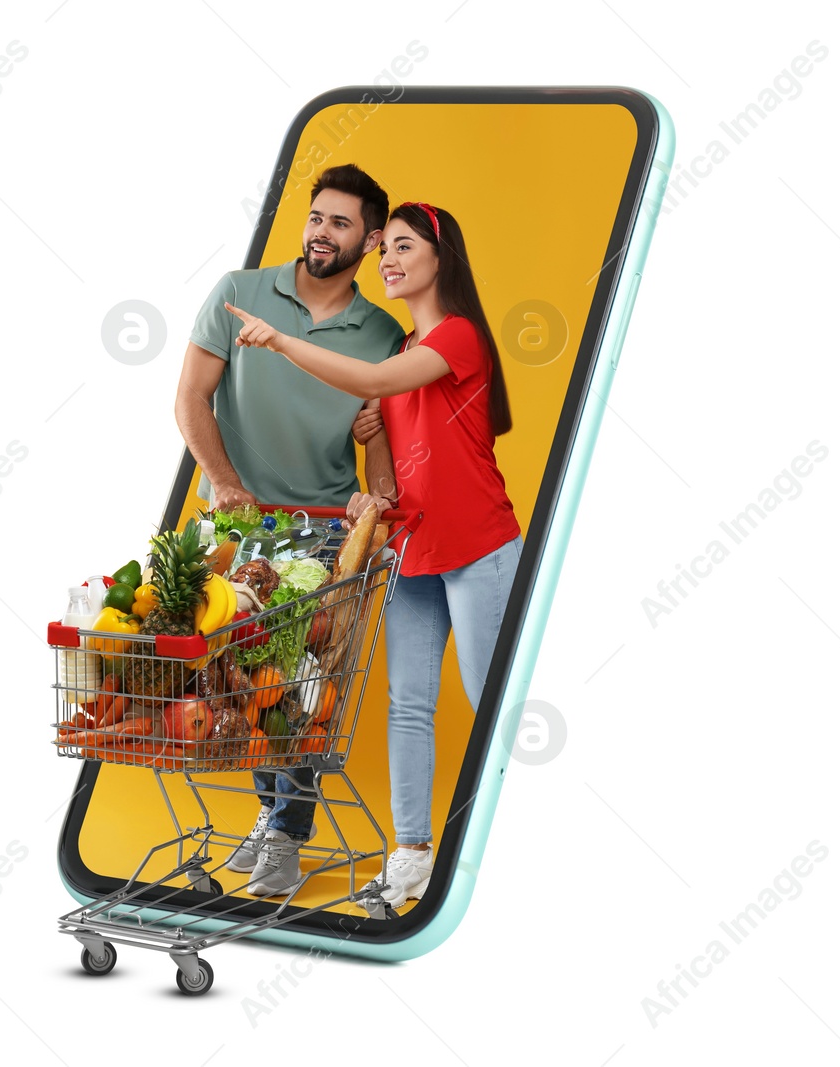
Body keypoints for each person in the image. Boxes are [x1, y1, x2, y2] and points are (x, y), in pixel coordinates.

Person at [225, 200, 521, 908]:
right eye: (382, 247)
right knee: (408, 705)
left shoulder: (457, 338)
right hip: (413, 549)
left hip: (479, 546)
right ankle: (413, 853)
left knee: (489, 702)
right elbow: (387, 474)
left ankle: (508, 841)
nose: (387, 258)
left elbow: (376, 385)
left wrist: (282, 342)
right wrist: (371, 488)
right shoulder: (396, 352)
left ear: (438, 258)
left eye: (402, 246)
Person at [177, 163, 405, 897]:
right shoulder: (239, 294)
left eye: (341, 224)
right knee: (245, 681)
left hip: (325, 530)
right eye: (316, 218)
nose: (321, 234)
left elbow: (380, 444)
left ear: (369, 241)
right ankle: (272, 812)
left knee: (304, 687)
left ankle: (286, 832)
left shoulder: (382, 333)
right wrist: (224, 480)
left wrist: (375, 466)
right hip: (243, 527)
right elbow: (190, 398)